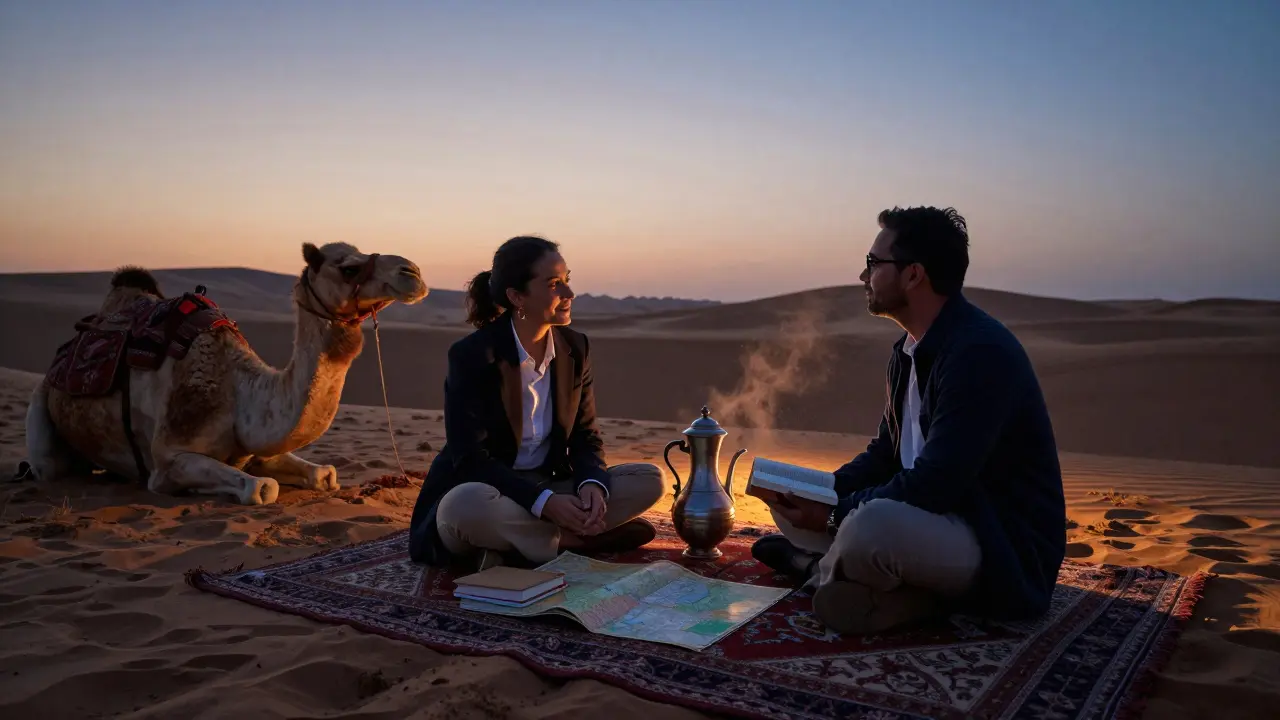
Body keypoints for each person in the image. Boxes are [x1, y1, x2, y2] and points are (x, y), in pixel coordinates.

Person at [750, 206, 1066, 635]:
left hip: (996, 540)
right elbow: (886, 454)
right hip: (930, 522)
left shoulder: (978, 354)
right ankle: (897, 595)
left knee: (870, 526)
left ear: (913, 274)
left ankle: (815, 570)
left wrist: (832, 516)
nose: (864, 277)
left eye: (873, 264)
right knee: (794, 497)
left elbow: (938, 483)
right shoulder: (908, 351)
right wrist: (823, 494)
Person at [408, 235, 666, 571]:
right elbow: (469, 458)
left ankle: (518, 546)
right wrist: (543, 504)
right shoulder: (473, 355)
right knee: (462, 508)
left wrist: (592, 486)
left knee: (649, 479)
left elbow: (586, 436)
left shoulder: (575, 348)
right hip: (490, 492)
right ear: (517, 297)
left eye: (567, 281)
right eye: (555, 284)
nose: (569, 294)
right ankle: (575, 542)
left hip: (550, 485)